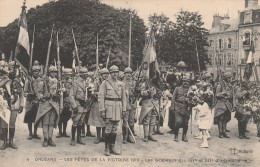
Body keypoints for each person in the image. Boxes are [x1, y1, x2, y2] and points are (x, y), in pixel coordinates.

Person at [98, 65, 126, 156]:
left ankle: (112, 147)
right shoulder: (105, 83)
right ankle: (106, 148)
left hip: (118, 107)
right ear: (110, 73)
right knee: (108, 128)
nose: (115, 74)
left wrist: (124, 109)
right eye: (113, 72)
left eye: (116, 72)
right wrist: (102, 109)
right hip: (108, 108)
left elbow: (124, 98)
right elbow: (101, 97)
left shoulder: (121, 84)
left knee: (115, 129)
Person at [0, 61, 24, 150]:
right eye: (11, 68)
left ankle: (11, 141)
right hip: (4, 104)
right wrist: (7, 79)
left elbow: (21, 93)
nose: (13, 70)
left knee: (12, 123)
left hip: (15, 103)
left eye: (15, 68)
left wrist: (21, 104)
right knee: (4, 123)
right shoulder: (3, 78)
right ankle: (5, 142)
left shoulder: (19, 80)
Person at [35, 66, 60, 147]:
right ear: (49, 73)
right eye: (52, 72)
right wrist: (43, 96)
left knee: (51, 123)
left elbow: (60, 94)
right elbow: (38, 94)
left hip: (54, 105)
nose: (53, 73)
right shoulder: (44, 82)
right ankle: (45, 139)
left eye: (55, 72)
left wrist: (59, 94)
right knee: (45, 123)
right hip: (46, 105)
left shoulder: (58, 83)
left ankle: (50, 138)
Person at [88, 68, 109, 144]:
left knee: (105, 120)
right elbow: (93, 92)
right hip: (97, 103)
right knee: (98, 120)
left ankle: (104, 136)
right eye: (104, 74)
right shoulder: (96, 82)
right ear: (101, 75)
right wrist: (96, 94)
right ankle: (98, 137)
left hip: (106, 103)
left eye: (107, 74)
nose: (105, 75)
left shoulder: (109, 82)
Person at [69, 67, 89, 146]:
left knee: (81, 122)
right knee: (75, 122)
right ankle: (73, 138)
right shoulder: (76, 83)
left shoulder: (86, 82)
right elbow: (71, 96)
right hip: (78, 104)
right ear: (82, 75)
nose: (87, 75)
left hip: (84, 105)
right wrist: (74, 106)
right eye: (85, 74)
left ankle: (79, 138)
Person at [169, 76, 192, 142]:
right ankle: (176, 135)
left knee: (185, 122)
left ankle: (184, 136)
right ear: (182, 82)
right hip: (178, 107)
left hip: (186, 108)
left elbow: (193, 99)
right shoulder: (177, 88)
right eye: (184, 81)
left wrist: (192, 103)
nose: (186, 83)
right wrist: (172, 107)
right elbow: (173, 98)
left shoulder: (191, 90)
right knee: (178, 122)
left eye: (187, 82)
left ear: (189, 83)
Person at [24, 65, 41, 140]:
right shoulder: (28, 81)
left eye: (37, 71)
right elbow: (24, 92)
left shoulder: (41, 81)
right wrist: (28, 94)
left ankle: (35, 132)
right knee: (29, 118)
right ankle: (30, 133)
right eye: (34, 71)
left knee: (36, 118)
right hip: (30, 102)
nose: (36, 73)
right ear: (32, 72)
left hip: (38, 102)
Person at [214, 72, 233, 138]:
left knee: (226, 118)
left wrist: (229, 95)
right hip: (221, 103)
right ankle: (220, 132)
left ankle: (224, 132)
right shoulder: (220, 85)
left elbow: (231, 94)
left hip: (227, 103)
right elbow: (216, 95)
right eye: (229, 78)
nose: (230, 79)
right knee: (220, 118)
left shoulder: (229, 85)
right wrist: (223, 93)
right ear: (225, 78)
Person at [56, 68, 73, 138]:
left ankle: (64, 131)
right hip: (60, 101)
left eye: (69, 75)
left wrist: (66, 90)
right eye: (66, 75)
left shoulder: (71, 82)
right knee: (59, 117)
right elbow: (56, 90)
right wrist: (59, 90)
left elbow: (72, 92)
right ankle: (60, 131)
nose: (68, 76)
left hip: (67, 102)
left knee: (66, 117)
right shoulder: (59, 82)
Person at [122, 67, 136, 144]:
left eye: (130, 73)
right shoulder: (121, 83)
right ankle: (124, 136)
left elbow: (137, 92)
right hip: (125, 103)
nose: (128, 75)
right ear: (124, 74)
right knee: (125, 121)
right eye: (127, 73)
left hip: (132, 103)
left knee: (131, 121)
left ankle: (130, 137)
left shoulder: (134, 83)